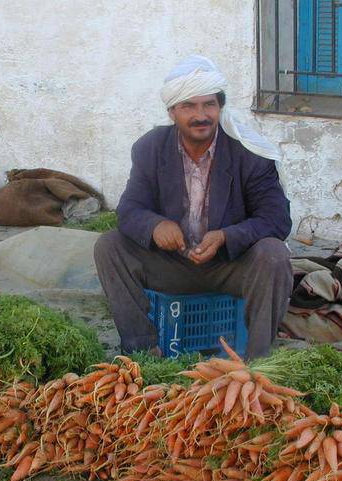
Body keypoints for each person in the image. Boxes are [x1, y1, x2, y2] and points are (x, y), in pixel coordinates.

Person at [94, 55, 293, 359]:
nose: (201, 115)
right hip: (171, 263)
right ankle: (144, 354)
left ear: (220, 108)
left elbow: (277, 219)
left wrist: (226, 236)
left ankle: (257, 364)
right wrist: (155, 226)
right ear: (172, 112)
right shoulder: (150, 148)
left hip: (230, 265)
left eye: (209, 105)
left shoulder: (248, 153)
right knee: (109, 245)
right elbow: (129, 210)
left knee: (274, 254)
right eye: (189, 106)